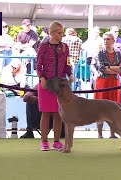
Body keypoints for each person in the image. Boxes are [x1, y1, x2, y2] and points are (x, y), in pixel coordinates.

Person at [36, 21, 73, 151]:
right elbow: (38, 64)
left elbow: (68, 63)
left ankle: (57, 141)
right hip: (46, 82)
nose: (61, 35)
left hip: (60, 84)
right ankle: (44, 141)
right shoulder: (43, 46)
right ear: (51, 33)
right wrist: (42, 78)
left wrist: (70, 74)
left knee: (58, 113)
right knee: (46, 113)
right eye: (59, 32)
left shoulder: (65, 47)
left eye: (62, 32)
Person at [90, 32, 121, 139]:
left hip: (114, 83)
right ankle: (100, 133)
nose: (106, 41)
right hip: (103, 83)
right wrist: (115, 69)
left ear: (113, 41)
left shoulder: (118, 53)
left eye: (108, 39)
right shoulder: (100, 53)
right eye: (104, 39)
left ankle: (112, 133)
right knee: (100, 107)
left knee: (114, 107)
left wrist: (110, 67)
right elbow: (102, 68)